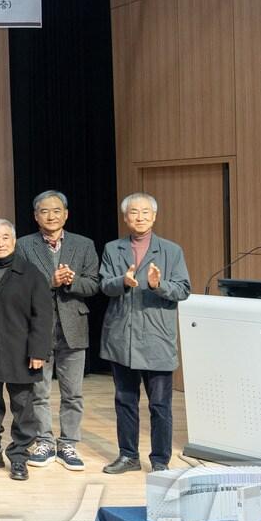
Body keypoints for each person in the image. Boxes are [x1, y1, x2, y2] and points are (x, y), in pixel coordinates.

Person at [100, 193, 191, 474]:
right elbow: (104, 285)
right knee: (125, 400)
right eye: (133, 213)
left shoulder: (171, 250)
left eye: (145, 213)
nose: (139, 218)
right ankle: (128, 455)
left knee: (160, 405)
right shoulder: (113, 248)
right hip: (121, 338)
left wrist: (158, 285)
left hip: (156, 340)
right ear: (125, 218)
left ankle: (160, 460)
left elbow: (183, 289)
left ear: (154, 216)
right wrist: (122, 281)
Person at [16, 190, 100, 471]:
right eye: (44, 211)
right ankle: (44, 441)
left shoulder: (84, 244)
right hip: (37, 328)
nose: (50, 216)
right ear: (35, 216)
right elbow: (18, 287)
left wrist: (72, 281)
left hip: (73, 327)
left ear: (66, 214)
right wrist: (50, 281)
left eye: (56, 211)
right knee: (38, 391)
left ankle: (68, 444)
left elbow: (94, 285)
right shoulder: (24, 245)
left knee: (72, 392)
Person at [0, 220, 54, 482]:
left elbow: (43, 316)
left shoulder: (30, 273)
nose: (1, 242)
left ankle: (19, 457)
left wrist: (39, 351)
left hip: (22, 351)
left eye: (6, 237)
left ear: (14, 241)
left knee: (23, 407)